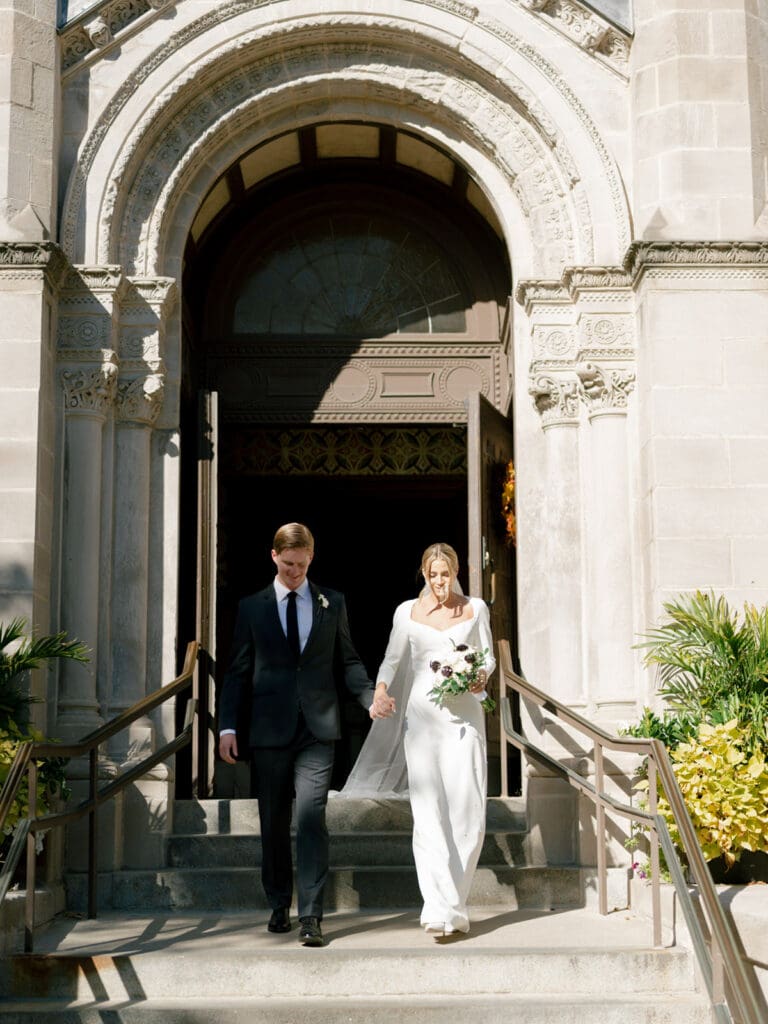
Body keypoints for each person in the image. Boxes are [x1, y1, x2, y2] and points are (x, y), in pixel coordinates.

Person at [218, 523, 395, 948]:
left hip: (318, 728)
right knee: (274, 821)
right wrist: (227, 726)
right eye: (288, 564)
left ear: (311, 557)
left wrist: (370, 696)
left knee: (312, 820)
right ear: (274, 556)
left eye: (302, 564)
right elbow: (238, 672)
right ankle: (279, 901)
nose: (295, 572)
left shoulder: (331, 602)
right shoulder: (252, 607)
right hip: (269, 730)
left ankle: (312, 916)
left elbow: (348, 661)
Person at [344, 542, 494, 938]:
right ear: (424, 574)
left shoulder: (476, 609)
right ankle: (437, 908)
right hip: (422, 719)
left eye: (445, 574)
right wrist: (380, 691)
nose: (439, 582)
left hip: (465, 718)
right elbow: (392, 660)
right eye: (432, 575)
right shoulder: (406, 613)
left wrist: (480, 675)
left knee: (469, 813)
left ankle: (455, 904)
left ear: (455, 572)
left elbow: (488, 657)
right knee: (428, 813)